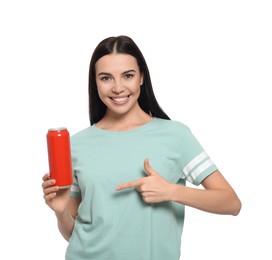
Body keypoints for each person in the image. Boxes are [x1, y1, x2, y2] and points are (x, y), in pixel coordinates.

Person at [42, 35, 241, 260]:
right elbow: (75, 235)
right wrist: (61, 213)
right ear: (95, 82)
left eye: (128, 76)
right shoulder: (75, 145)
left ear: (141, 77)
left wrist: (171, 191)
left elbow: (231, 203)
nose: (118, 88)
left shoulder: (175, 135)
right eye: (106, 78)